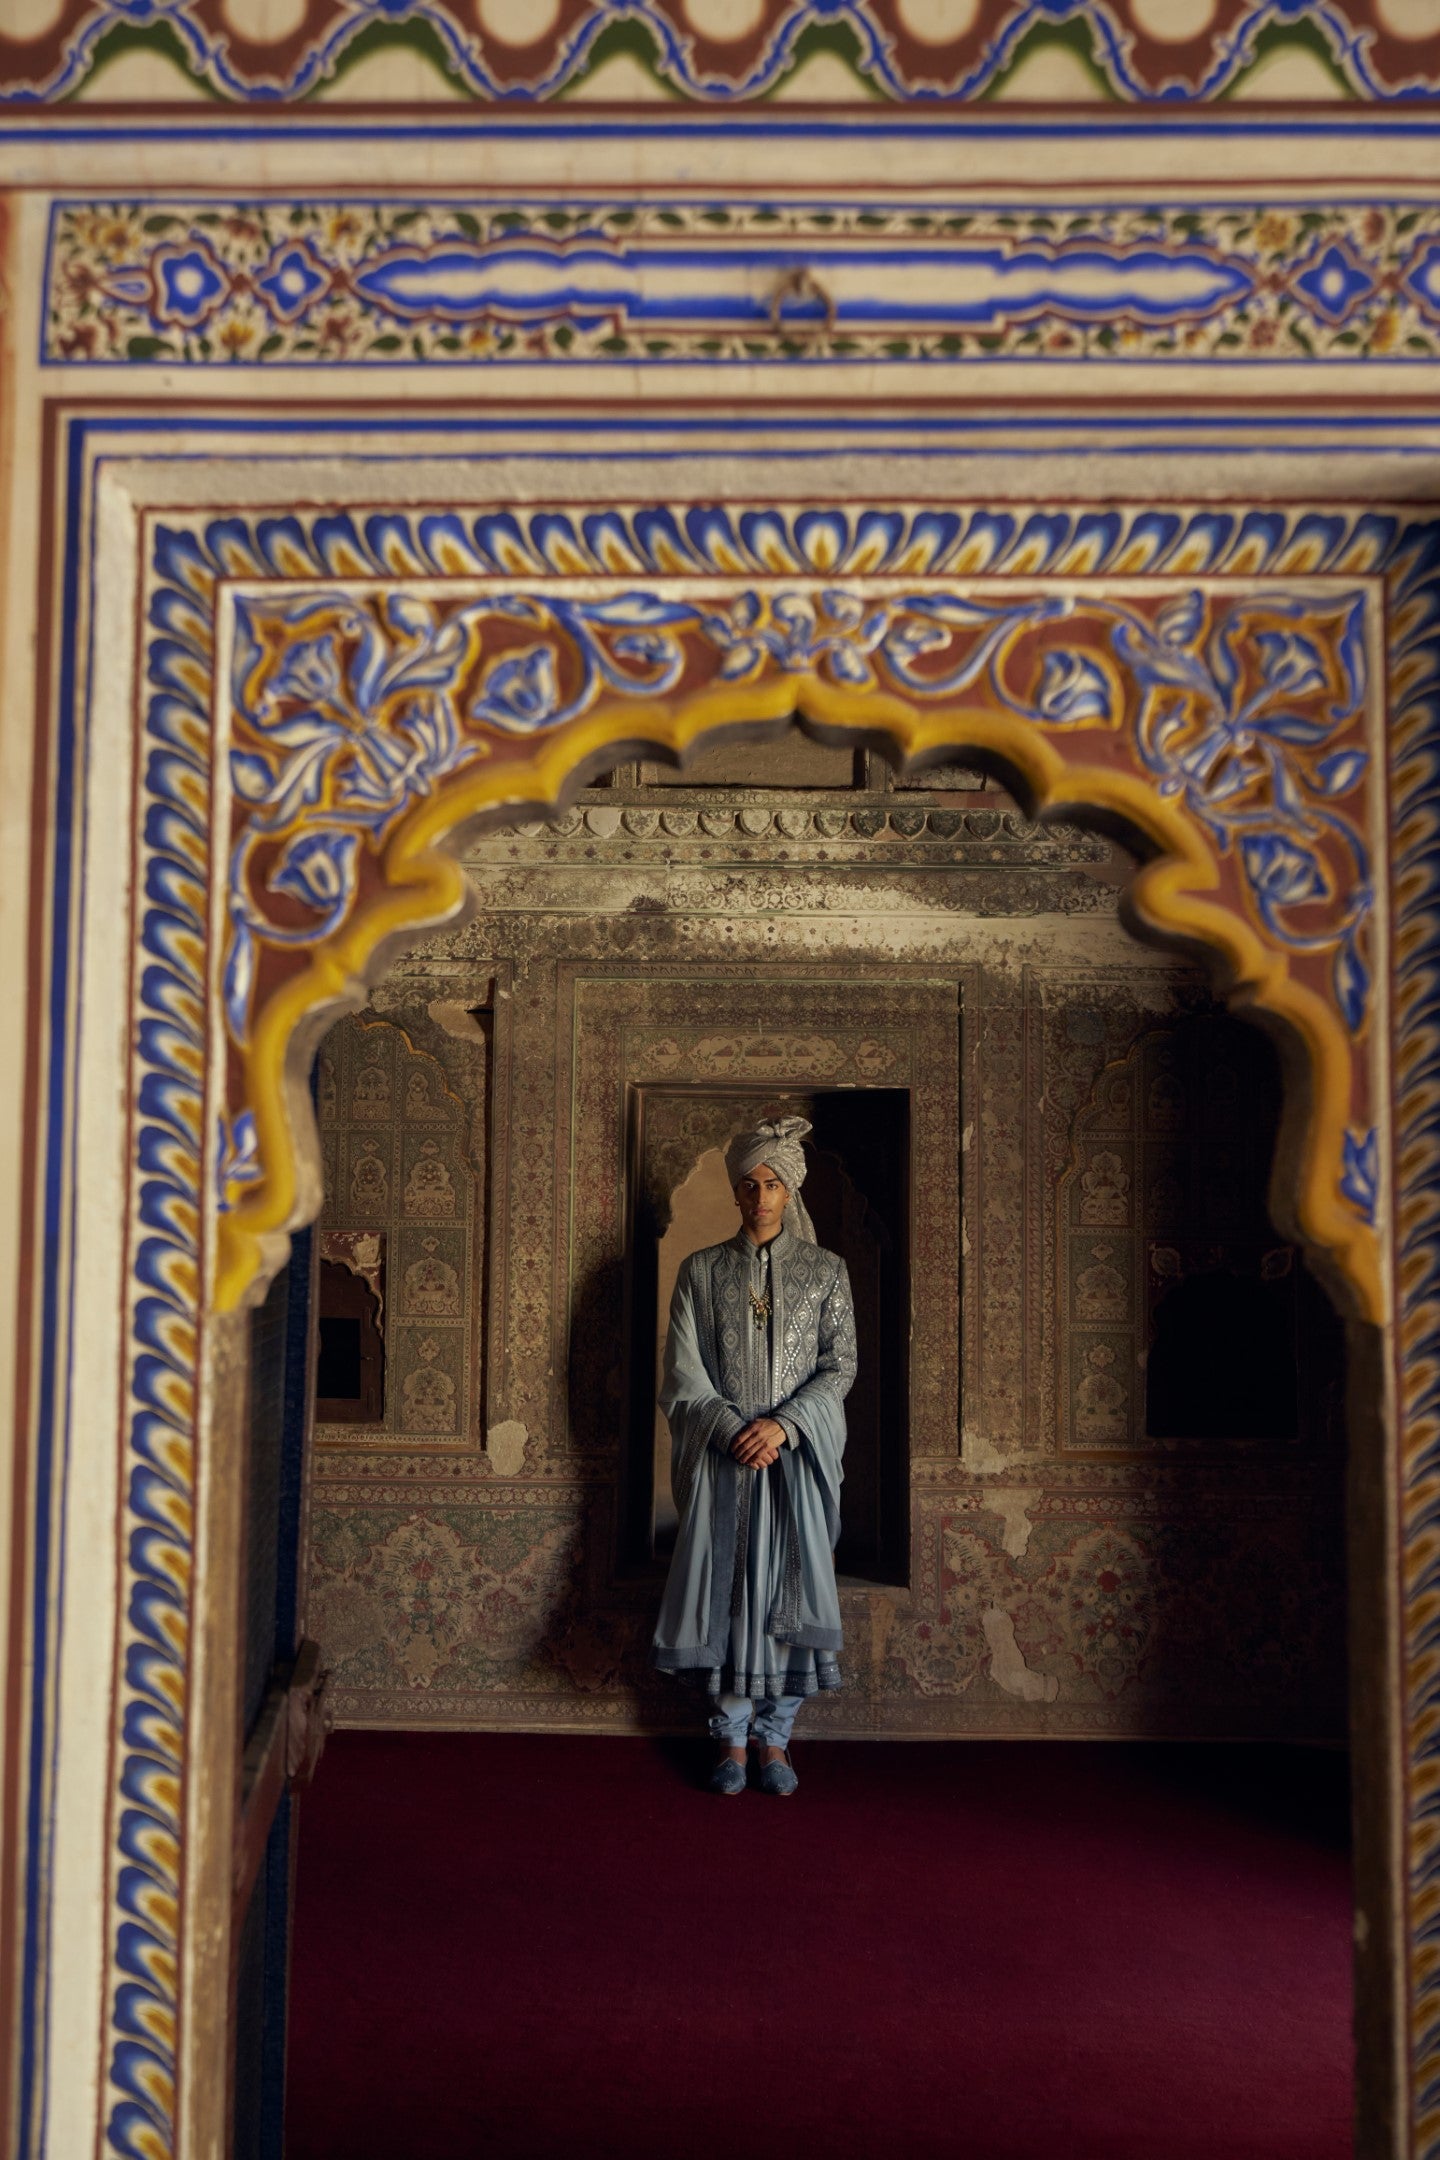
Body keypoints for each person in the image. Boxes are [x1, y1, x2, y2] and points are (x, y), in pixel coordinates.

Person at [652, 1115, 857, 1796]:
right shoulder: (702, 1271)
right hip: (723, 1459)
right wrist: (727, 1426)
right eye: (750, 1184)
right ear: (736, 1193)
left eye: (773, 1183)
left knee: (789, 1593)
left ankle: (777, 1738)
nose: (761, 1196)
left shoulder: (828, 1272)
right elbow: (682, 1369)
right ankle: (731, 1740)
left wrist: (786, 1427)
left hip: (797, 1462)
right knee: (730, 1591)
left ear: (789, 1190)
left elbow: (840, 1367)